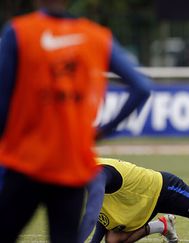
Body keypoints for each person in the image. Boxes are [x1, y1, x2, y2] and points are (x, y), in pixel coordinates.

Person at [0, 0, 152, 242]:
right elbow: (142, 87)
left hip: (25, 161)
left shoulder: (18, 32)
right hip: (71, 166)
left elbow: (3, 101)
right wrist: (104, 131)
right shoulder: (97, 36)